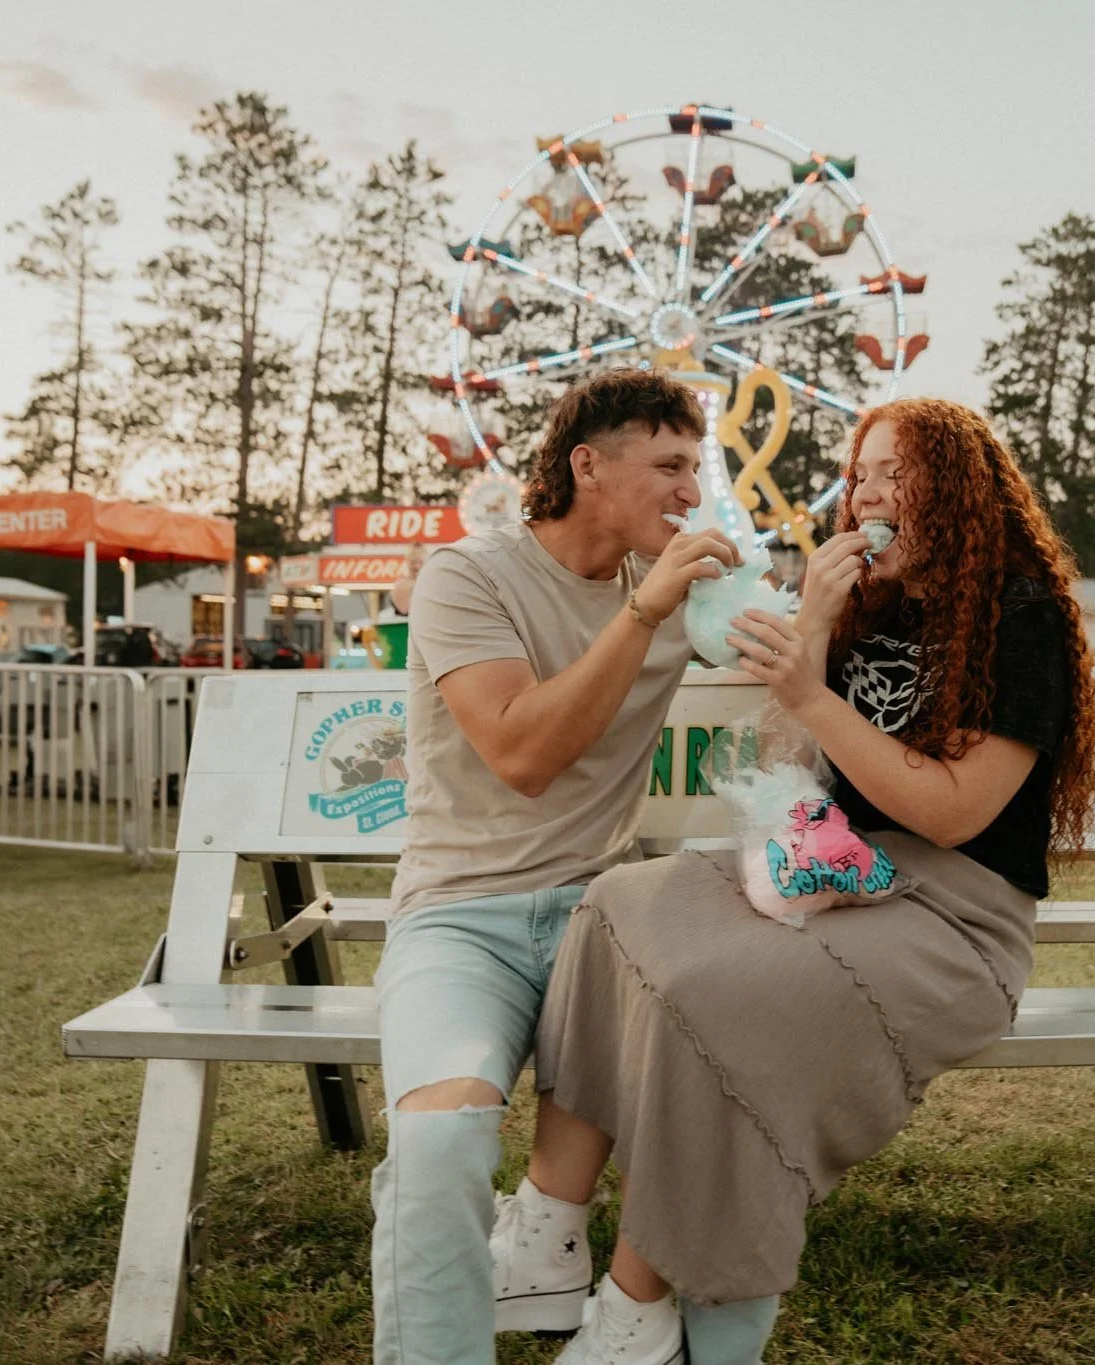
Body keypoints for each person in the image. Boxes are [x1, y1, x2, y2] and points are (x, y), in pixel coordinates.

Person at [508, 397, 1095, 1364]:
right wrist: (819, 625)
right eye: (860, 473)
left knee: (719, 996)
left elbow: (954, 812)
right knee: (619, 904)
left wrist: (813, 696)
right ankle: (545, 1226)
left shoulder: (1017, 615)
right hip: (832, 870)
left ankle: (636, 1303)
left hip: (951, 917)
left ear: (955, 489)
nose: (867, 493)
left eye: (894, 473)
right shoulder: (870, 603)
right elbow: (795, 765)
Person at [369, 369, 740, 1364]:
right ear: (587, 464)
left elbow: (796, 663)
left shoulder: (672, 595)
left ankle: (631, 1310)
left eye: (694, 470)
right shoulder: (466, 576)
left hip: (598, 919)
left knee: (736, 1051)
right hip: (460, 918)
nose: (687, 492)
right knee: (443, 1139)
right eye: (667, 465)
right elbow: (524, 756)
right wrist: (643, 616)